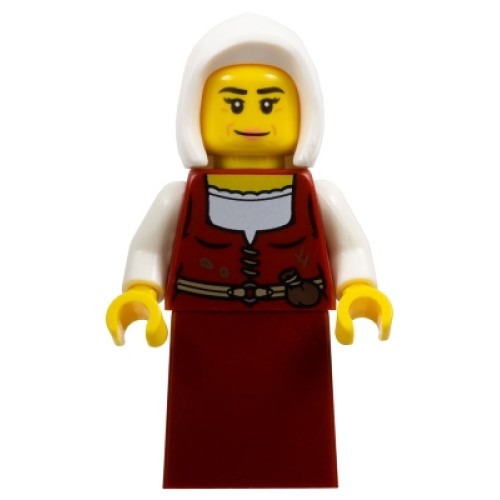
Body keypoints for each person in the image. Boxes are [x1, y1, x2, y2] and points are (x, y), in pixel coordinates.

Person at [106, 14, 392, 489]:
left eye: (269, 103)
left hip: (296, 338)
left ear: (303, 110)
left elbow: (351, 249)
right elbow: (148, 251)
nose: (252, 119)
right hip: (203, 336)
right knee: (201, 445)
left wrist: (360, 290)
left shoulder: (319, 197)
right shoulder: (179, 198)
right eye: (233, 104)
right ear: (196, 111)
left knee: (300, 447)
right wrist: (139, 294)